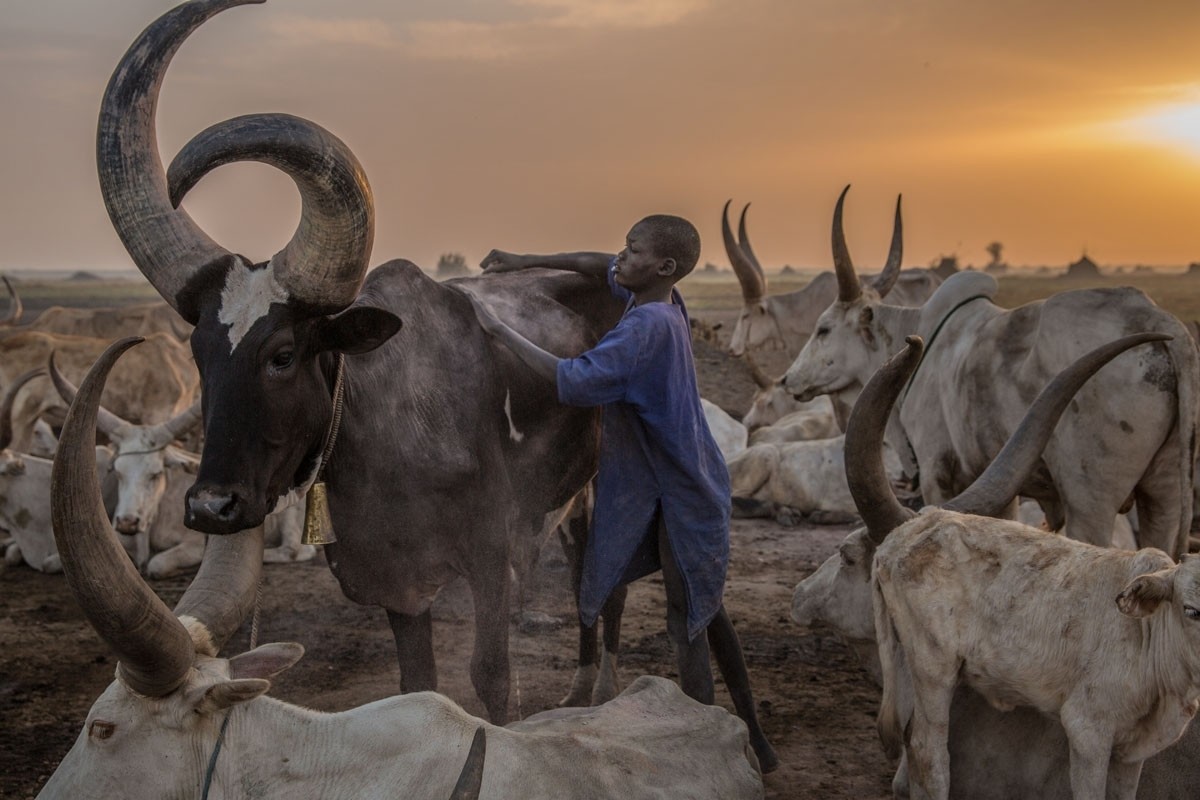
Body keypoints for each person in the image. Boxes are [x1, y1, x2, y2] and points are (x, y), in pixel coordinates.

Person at [470, 214, 779, 773]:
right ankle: (756, 738)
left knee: (687, 625)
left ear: (662, 266)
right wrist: (521, 261)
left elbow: (571, 378)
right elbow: (594, 264)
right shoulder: (663, 302)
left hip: (682, 490)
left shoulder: (643, 330)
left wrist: (496, 331)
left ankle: (705, 760)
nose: (619, 257)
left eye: (632, 251)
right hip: (685, 476)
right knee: (710, 615)